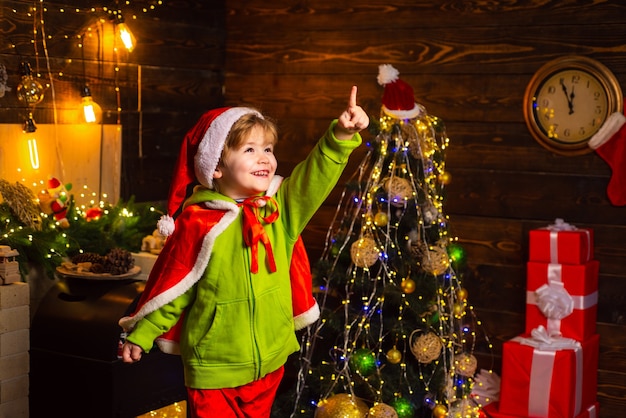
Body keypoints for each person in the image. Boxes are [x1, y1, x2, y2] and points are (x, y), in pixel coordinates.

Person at [119, 86, 369, 417]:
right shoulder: (199, 223)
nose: (264, 157)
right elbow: (174, 286)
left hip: (270, 359)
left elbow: (315, 177)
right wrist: (143, 334)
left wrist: (339, 135)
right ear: (216, 167)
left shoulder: (280, 211)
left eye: (267, 148)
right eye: (249, 149)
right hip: (214, 367)